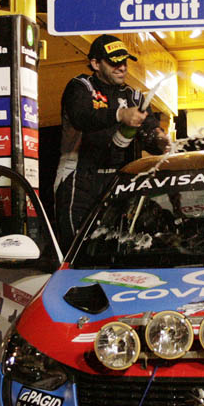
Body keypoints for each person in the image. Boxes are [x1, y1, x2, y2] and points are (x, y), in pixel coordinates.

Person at [54, 34, 169, 248]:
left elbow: (151, 134)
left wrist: (162, 140)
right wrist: (120, 114)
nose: (122, 68)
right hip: (78, 177)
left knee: (117, 246)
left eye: (124, 62)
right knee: (75, 246)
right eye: (114, 62)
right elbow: (81, 116)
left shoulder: (134, 96)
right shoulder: (81, 86)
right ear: (95, 64)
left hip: (118, 180)